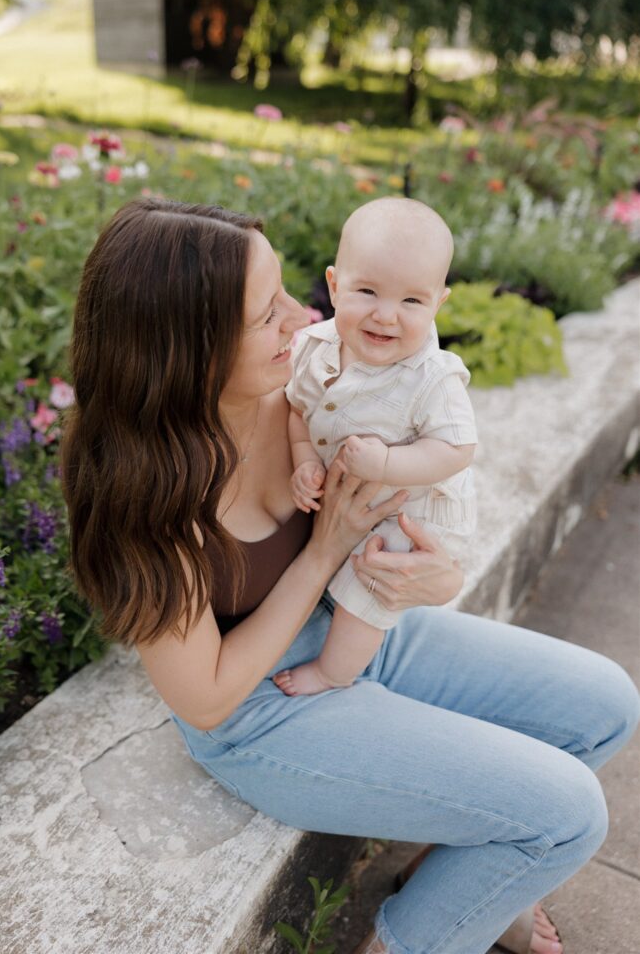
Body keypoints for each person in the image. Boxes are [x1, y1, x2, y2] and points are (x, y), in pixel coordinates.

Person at [61, 197, 639, 954]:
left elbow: (428, 489)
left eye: (285, 292)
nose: (301, 317)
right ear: (188, 348)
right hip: (261, 710)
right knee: (569, 814)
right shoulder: (143, 495)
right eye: (266, 313)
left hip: (351, 622)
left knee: (605, 705)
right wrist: (322, 551)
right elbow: (204, 698)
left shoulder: (310, 386)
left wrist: (435, 578)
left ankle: (456, 878)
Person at [275, 198, 477, 697]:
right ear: (334, 286)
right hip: (351, 498)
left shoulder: (433, 378)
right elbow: (297, 411)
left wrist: (387, 461)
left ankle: (334, 672)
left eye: (412, 301)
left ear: (438, 304)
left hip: (409, 511)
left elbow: (456, 449)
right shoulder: (312, 347)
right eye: (367, 291)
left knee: (370, 582)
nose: (386, 316)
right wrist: (304, 459)